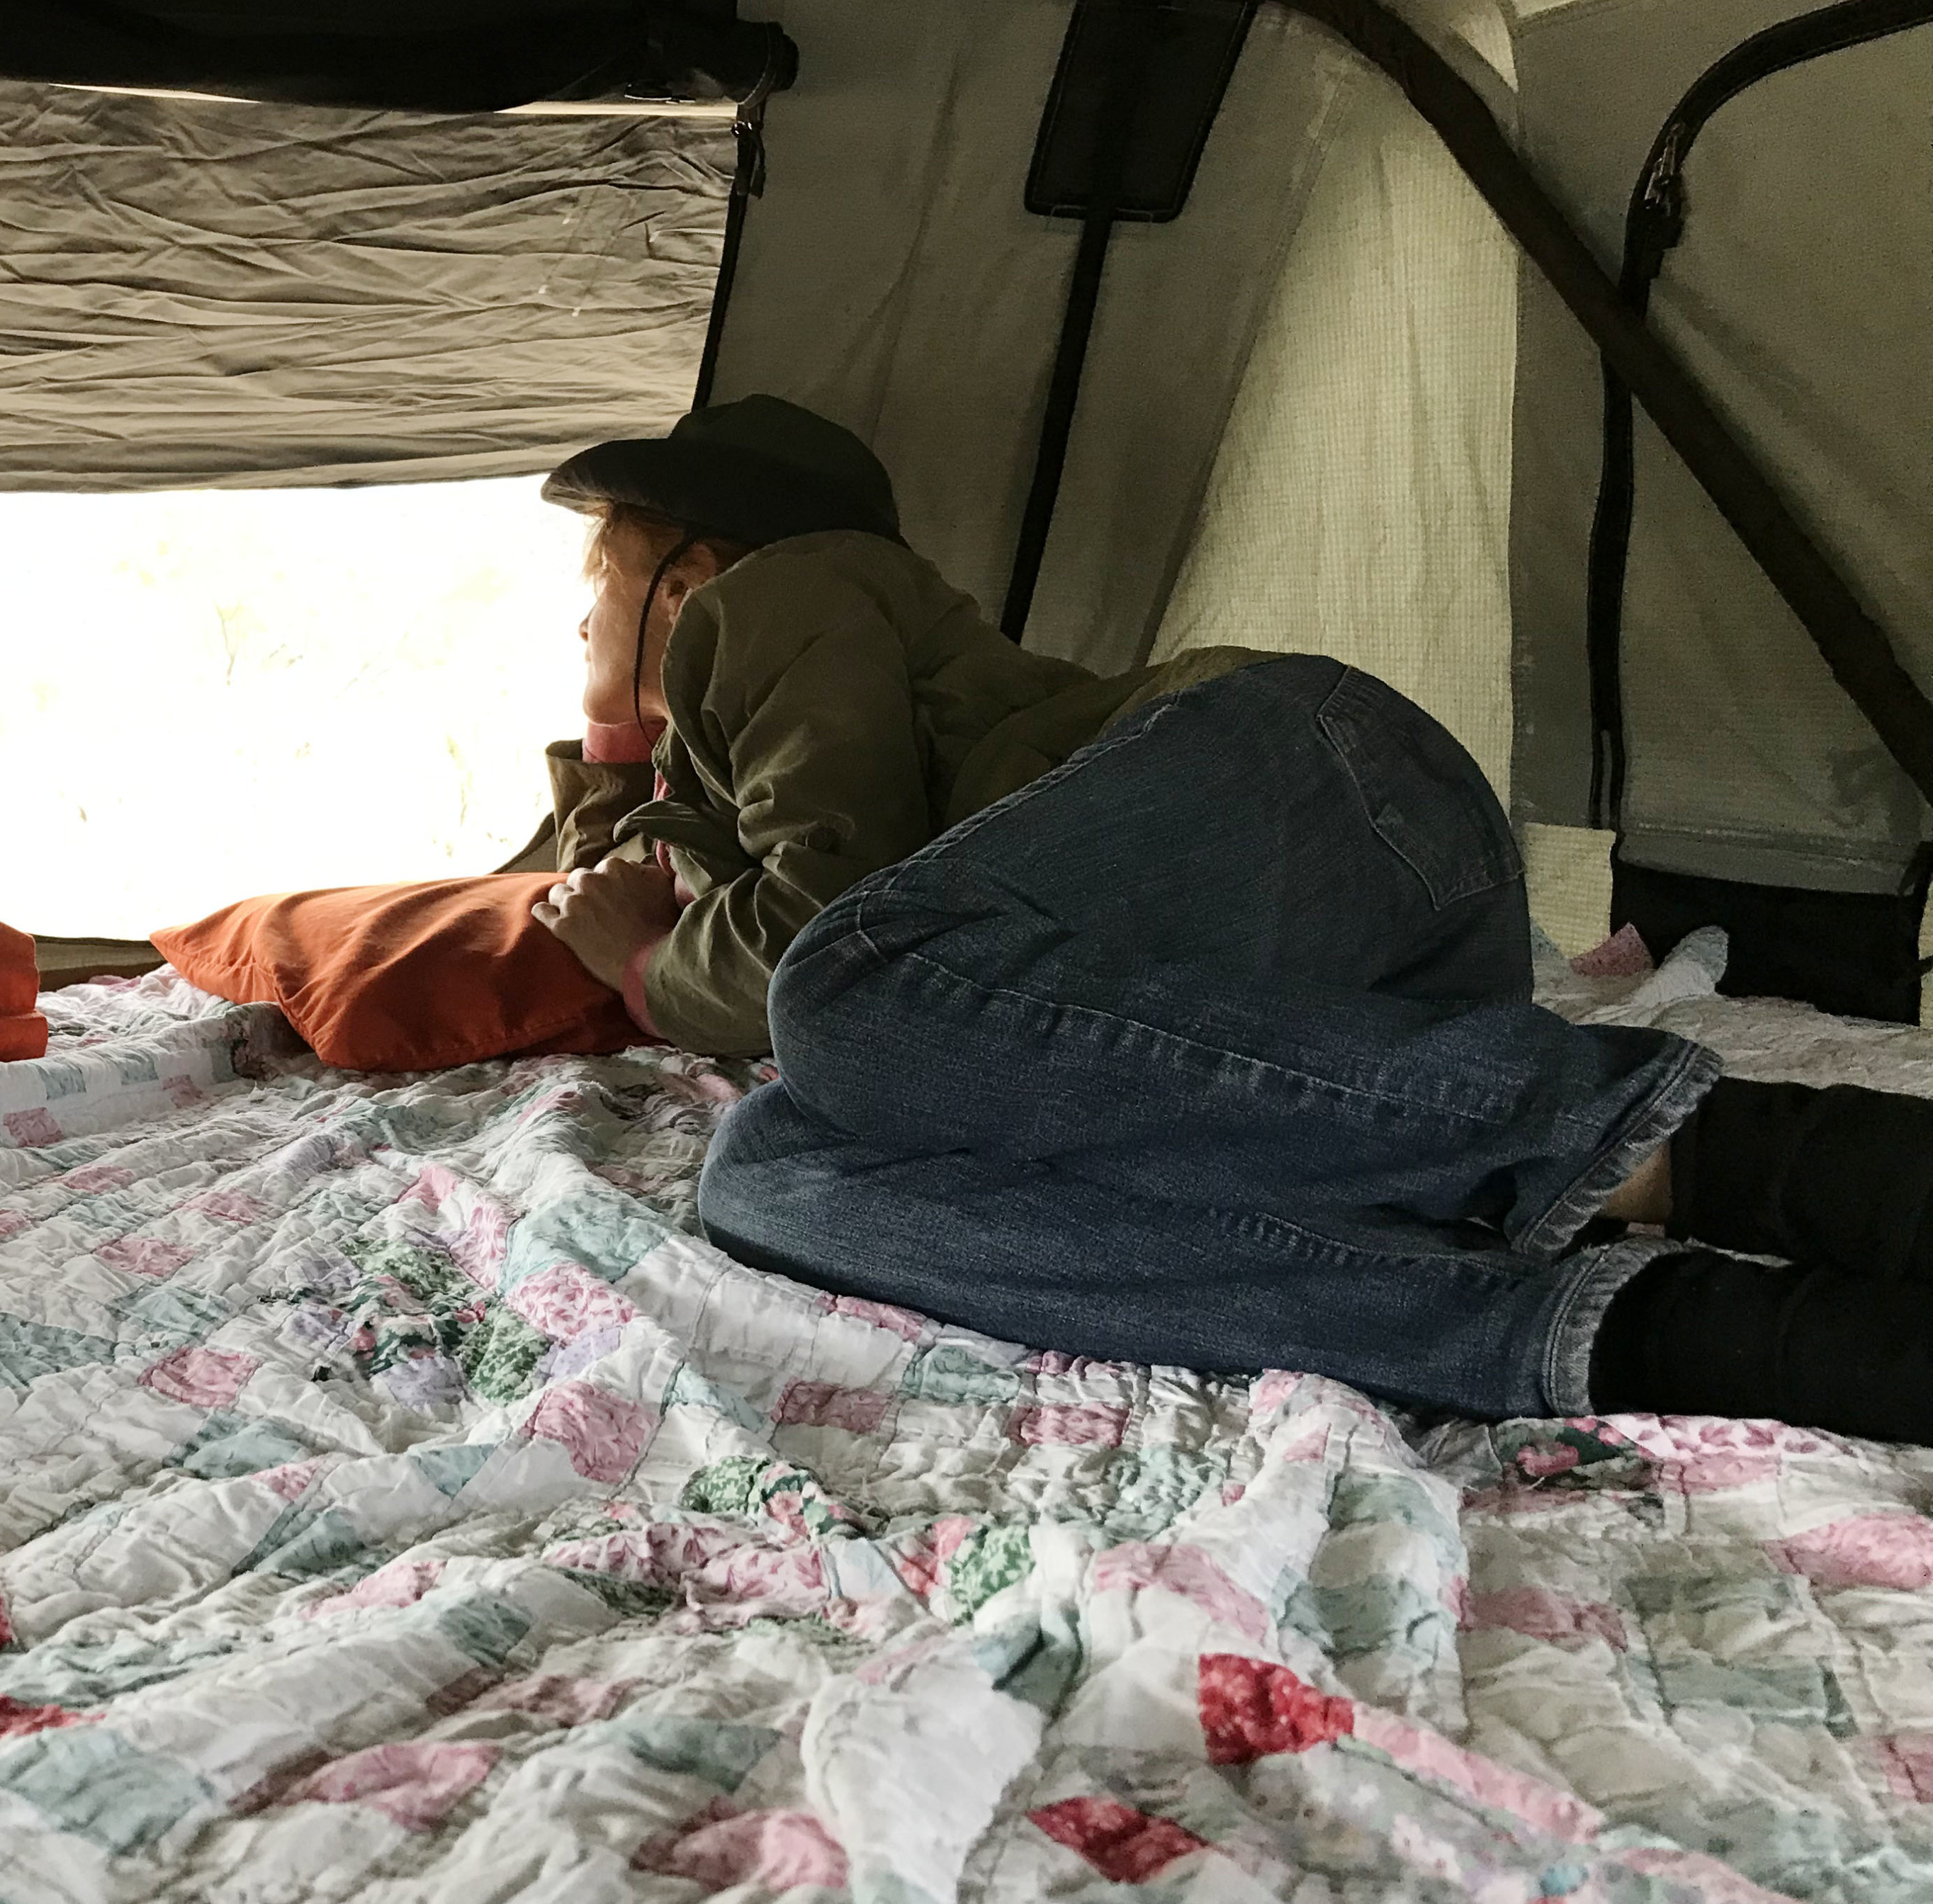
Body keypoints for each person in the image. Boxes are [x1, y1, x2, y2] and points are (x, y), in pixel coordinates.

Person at [692, 617, 1933, 1444]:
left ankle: (1683, 1146)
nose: (585, 630)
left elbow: (819, 923)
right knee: (766, 1168)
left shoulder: (775, 602)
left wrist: (639, 942)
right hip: (1303, 1004)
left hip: (1350, 799)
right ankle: (1669, 1334)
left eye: (593, 597)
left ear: (674, 566)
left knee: (850, 990)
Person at [527, 395, 1260, 1054]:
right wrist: (629, 727)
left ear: (685, 586)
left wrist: (642, 965)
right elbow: (600, 894)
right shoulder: (739, 712)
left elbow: (829, 942)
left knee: (792, 1141)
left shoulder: (785, 602)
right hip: (1235, 792)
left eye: (603, 586)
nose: (583, 626)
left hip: (1233, 754)